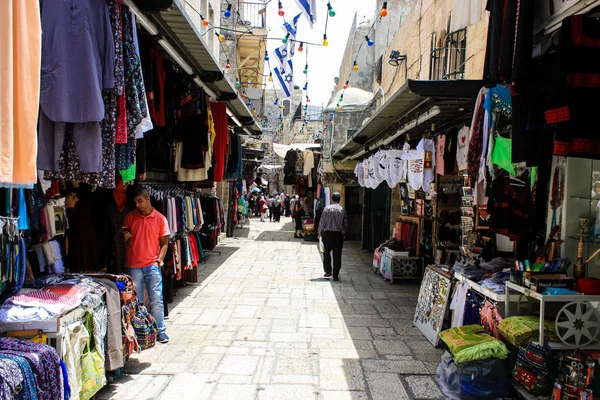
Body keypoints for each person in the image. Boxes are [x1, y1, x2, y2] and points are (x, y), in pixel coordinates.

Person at [123, 186, 170, 343]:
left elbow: (164, 242)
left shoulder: (160, 219)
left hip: (151, 264)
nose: (137, 204)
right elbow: (123, 234)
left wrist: (159, 260)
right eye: (135, 202)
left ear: (148, 199)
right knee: (137, 301)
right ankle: (140, 331)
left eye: (140, 201)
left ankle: (160, 330)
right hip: (133, 264)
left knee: (156, 298)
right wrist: (124, 236)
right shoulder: (130, 217)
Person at [318, 192, 347, 281]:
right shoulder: (342, 210)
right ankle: (335, 275)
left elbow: (322, 222)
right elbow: (345, 223)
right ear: (339, 199)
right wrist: (344, 232)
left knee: (326, 252)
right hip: (338, 235)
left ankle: (328, 271)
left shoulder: (327, 209)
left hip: (327, 234)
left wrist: (319, 232)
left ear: (332, 199)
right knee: (337, 255)